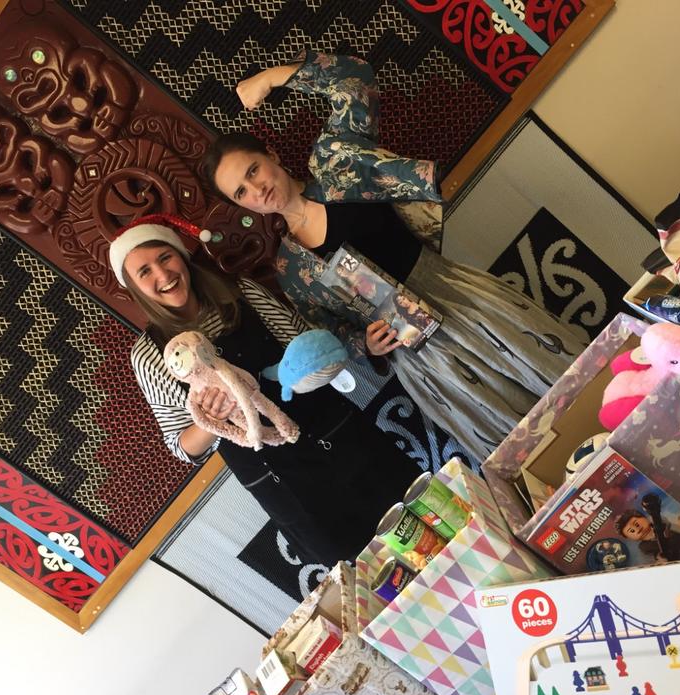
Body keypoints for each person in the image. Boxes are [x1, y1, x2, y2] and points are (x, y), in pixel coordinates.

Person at [202, 51, 588, 462]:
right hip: (422, 359)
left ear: (271, 156)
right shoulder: (290, 269)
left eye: (253, 171)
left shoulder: (335, 166)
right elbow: (330, 335)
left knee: (560, 376)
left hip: (460, 298)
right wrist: (365, 344)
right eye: (241, 192)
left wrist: (271, 78)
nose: (256, 189)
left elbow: (355, 81)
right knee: (521, 442)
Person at [110, 214, 419, 566]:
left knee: (421, 517)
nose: (162, 275)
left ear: (182, 256)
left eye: (164, 258)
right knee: (372, 572)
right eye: (144, 272)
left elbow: (307, 342)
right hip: (284, 482)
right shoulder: (149, 354)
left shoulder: (240, 292)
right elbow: (181, 446)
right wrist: (210, 420)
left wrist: (346, 351)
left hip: (341, 434)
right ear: (133, 287)